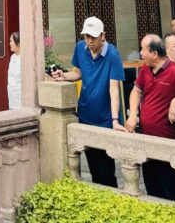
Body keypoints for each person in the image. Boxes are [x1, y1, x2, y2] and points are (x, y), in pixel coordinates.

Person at [126, 34, 175, 202]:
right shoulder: (146, 69)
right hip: (147, 141)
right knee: (153, 189)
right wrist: (133, 115)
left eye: (143, 49)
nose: (140, 53)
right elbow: (136, 91)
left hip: (168, 143)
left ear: (154, 53)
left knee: (172, 191)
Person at [51, 17, 125, 187]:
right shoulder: (80, 48)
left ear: (103, 36)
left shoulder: (112, 54)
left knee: (106, 169)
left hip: (105, 118)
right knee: (93, 167)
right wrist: (63, 76)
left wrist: (115, 120)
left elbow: (113, 89)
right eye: (86, 37)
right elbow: (77, 73)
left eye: (93, 37)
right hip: (85, 114)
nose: (89, 41)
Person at [8, 32, 22, 110]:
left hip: (21, 97)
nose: (10, 43)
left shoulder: (24, 58)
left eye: (11, 41)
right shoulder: (12, 57)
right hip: (12, 95)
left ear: (19, 43)